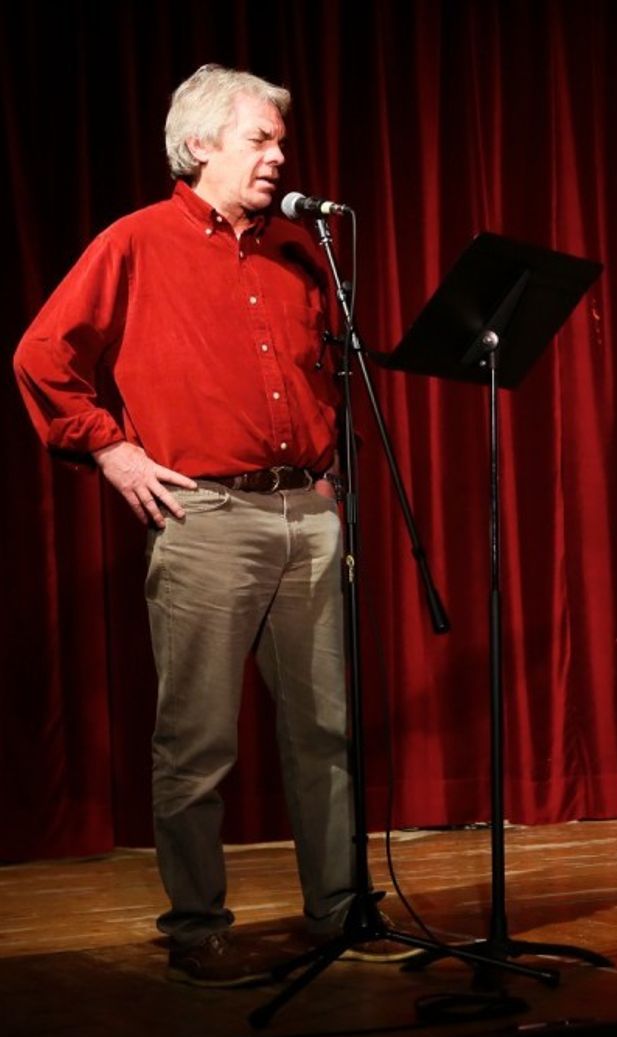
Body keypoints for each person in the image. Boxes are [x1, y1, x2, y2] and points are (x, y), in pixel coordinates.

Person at [13, 64, 412, 986]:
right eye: (260, 140)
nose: (279, 157)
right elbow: (41, 357)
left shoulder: (296, 250)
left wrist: (326, 486)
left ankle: (336, 911)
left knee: (325, 730)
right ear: (201, 146)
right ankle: (196, 925)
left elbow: (323, 378)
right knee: (197, 739)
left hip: (306, 513)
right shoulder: (136, 242)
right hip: (206, 515)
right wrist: (110, 450)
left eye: (280, 141)